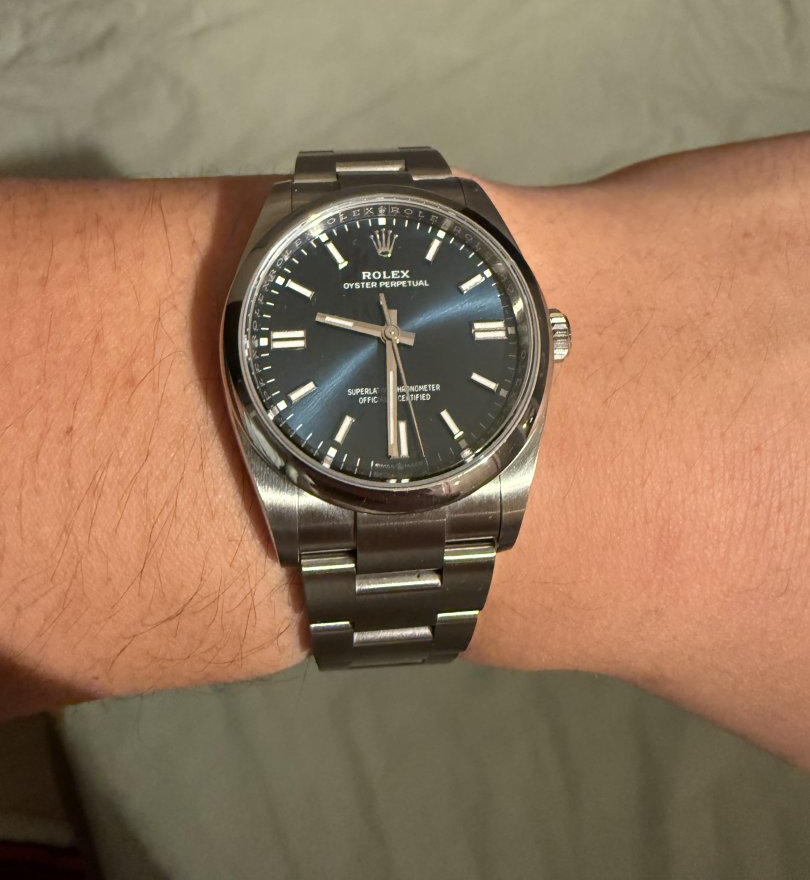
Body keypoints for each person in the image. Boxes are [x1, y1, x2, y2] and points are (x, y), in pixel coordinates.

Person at [1, 130, 808, 768]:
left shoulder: (516, 347)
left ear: (547, 336)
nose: (392, 334)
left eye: (397, 329)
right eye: (385, 329)